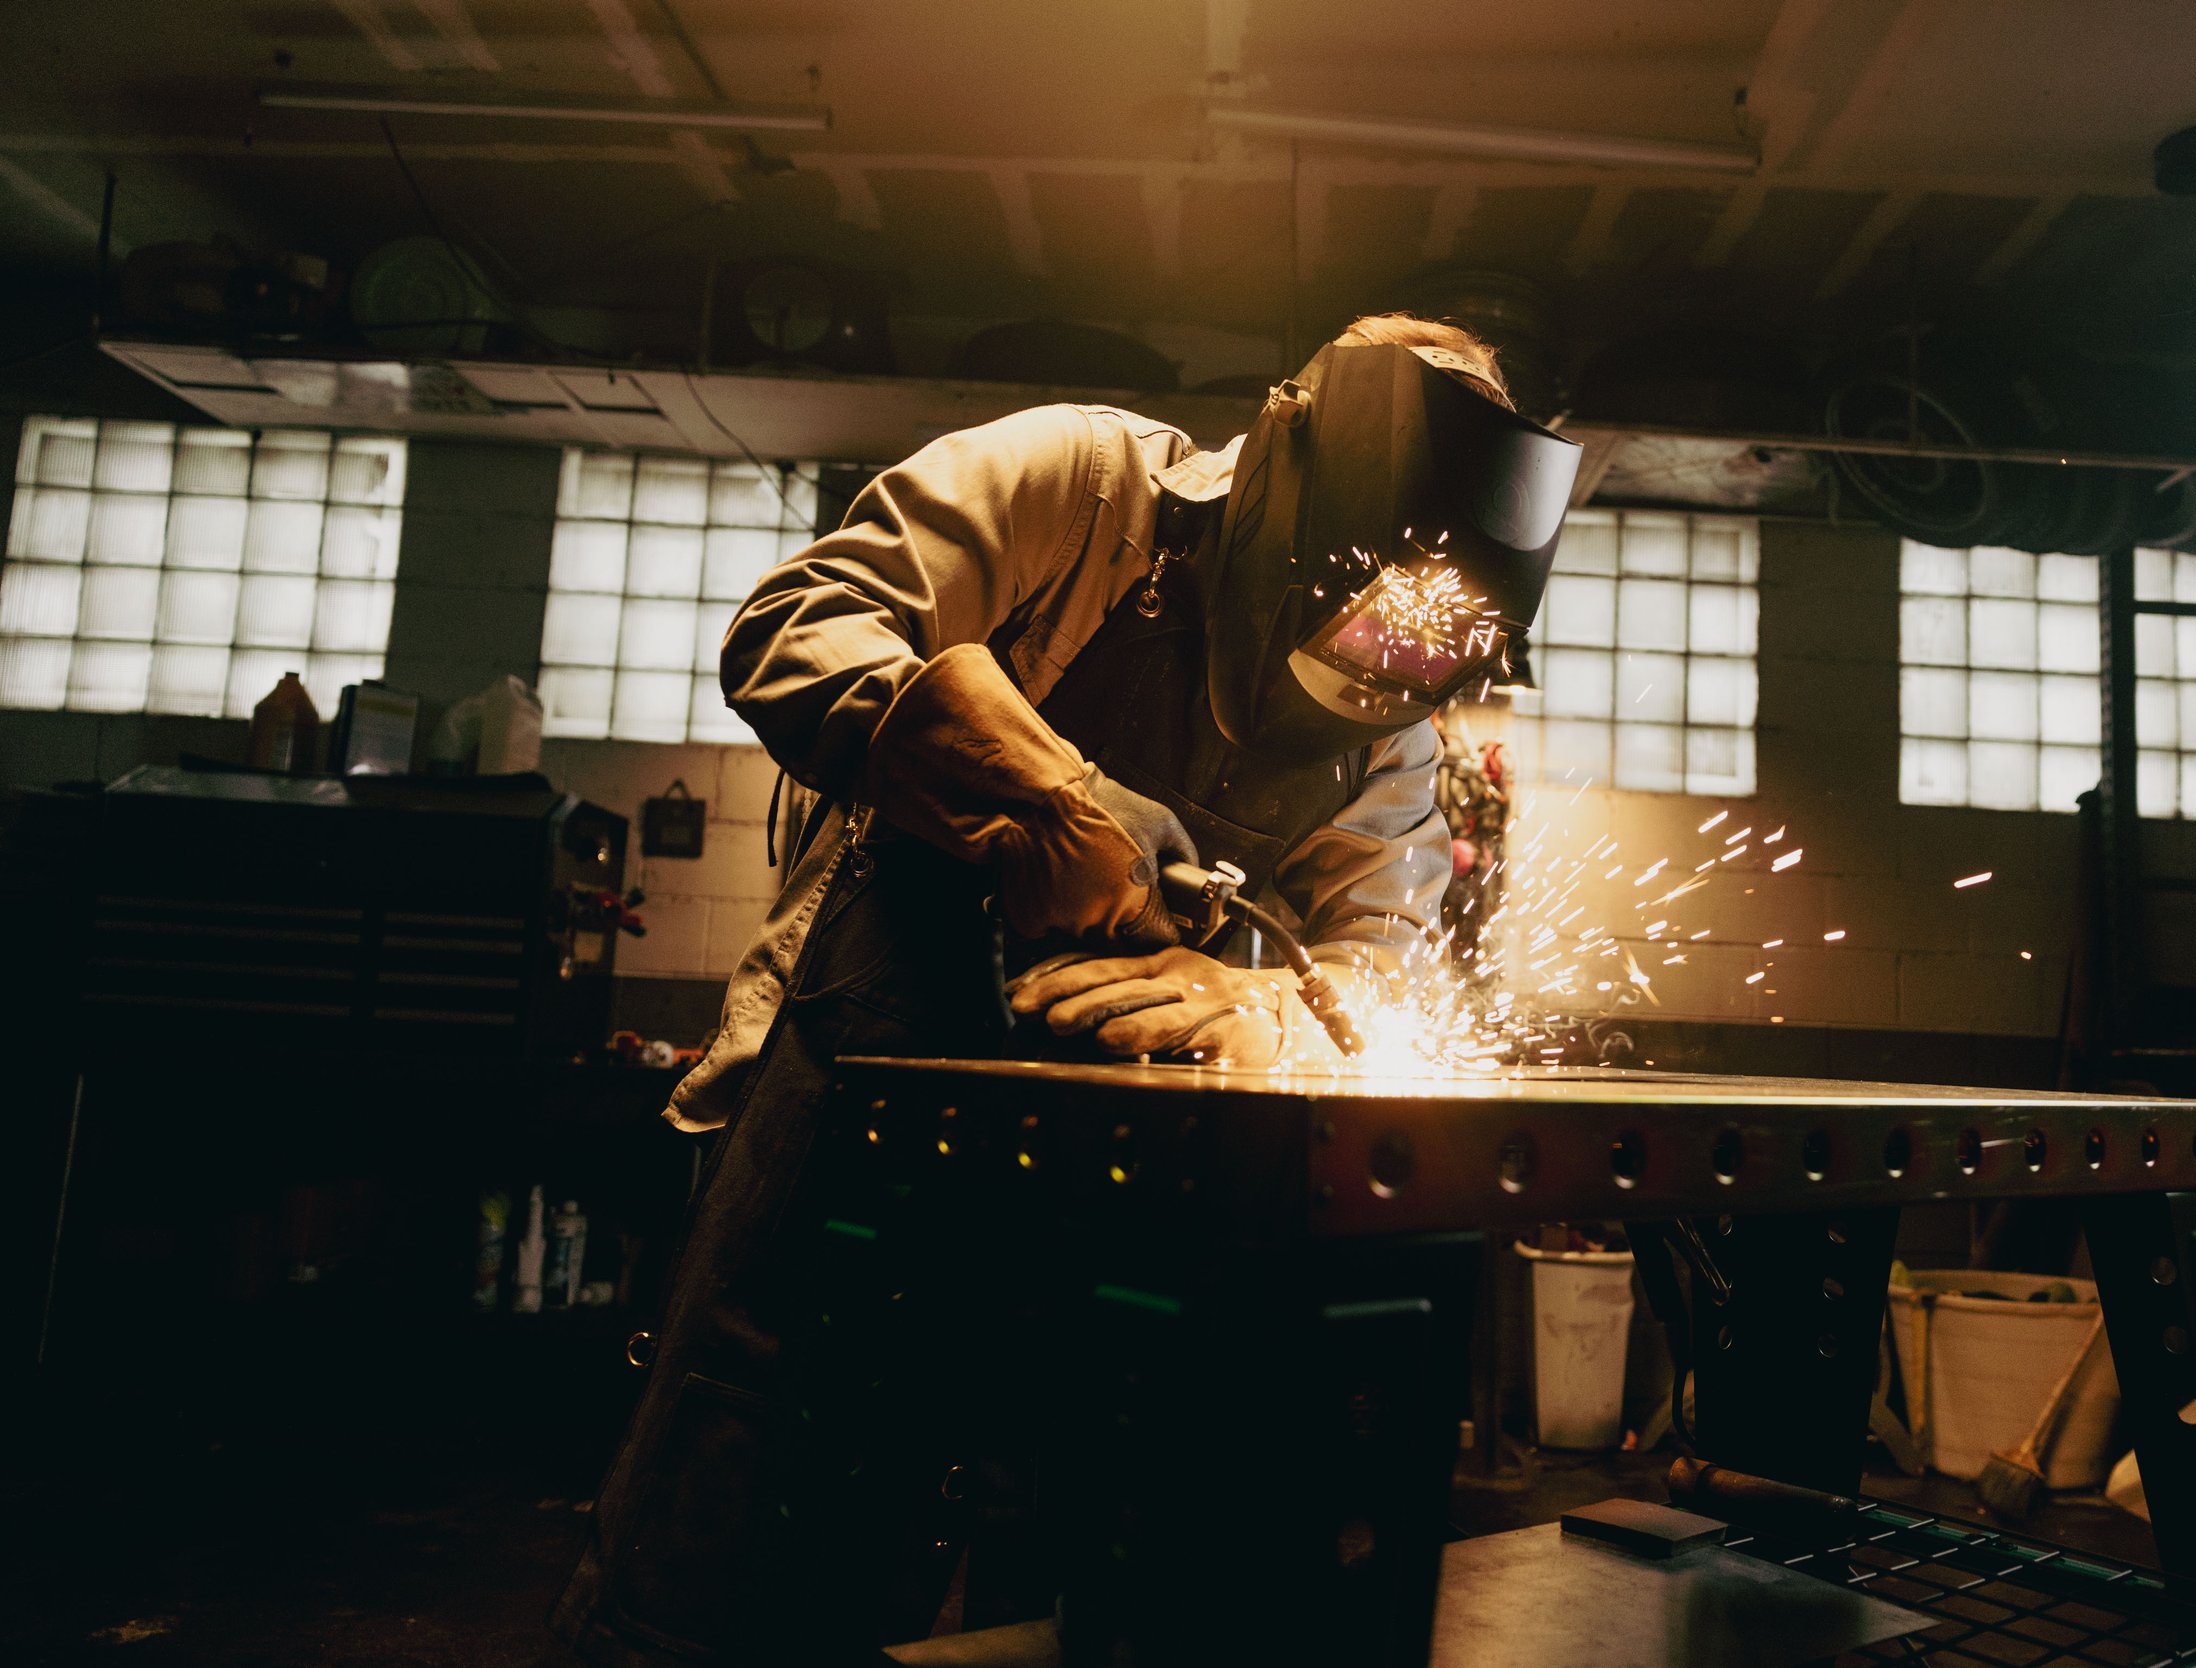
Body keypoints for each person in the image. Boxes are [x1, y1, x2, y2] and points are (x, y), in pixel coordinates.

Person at [552, 314, 1579, 1666]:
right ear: (1283, 466)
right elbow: (792, 628)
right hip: (862, 1151)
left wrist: (1267, 1013)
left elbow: (1381, 978)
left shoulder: (1388, 740)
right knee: (724, 1582)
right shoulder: (1080, 490)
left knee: (1075, 1615)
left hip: (1119, 1238)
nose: (1362, 671)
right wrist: (1036, 790)